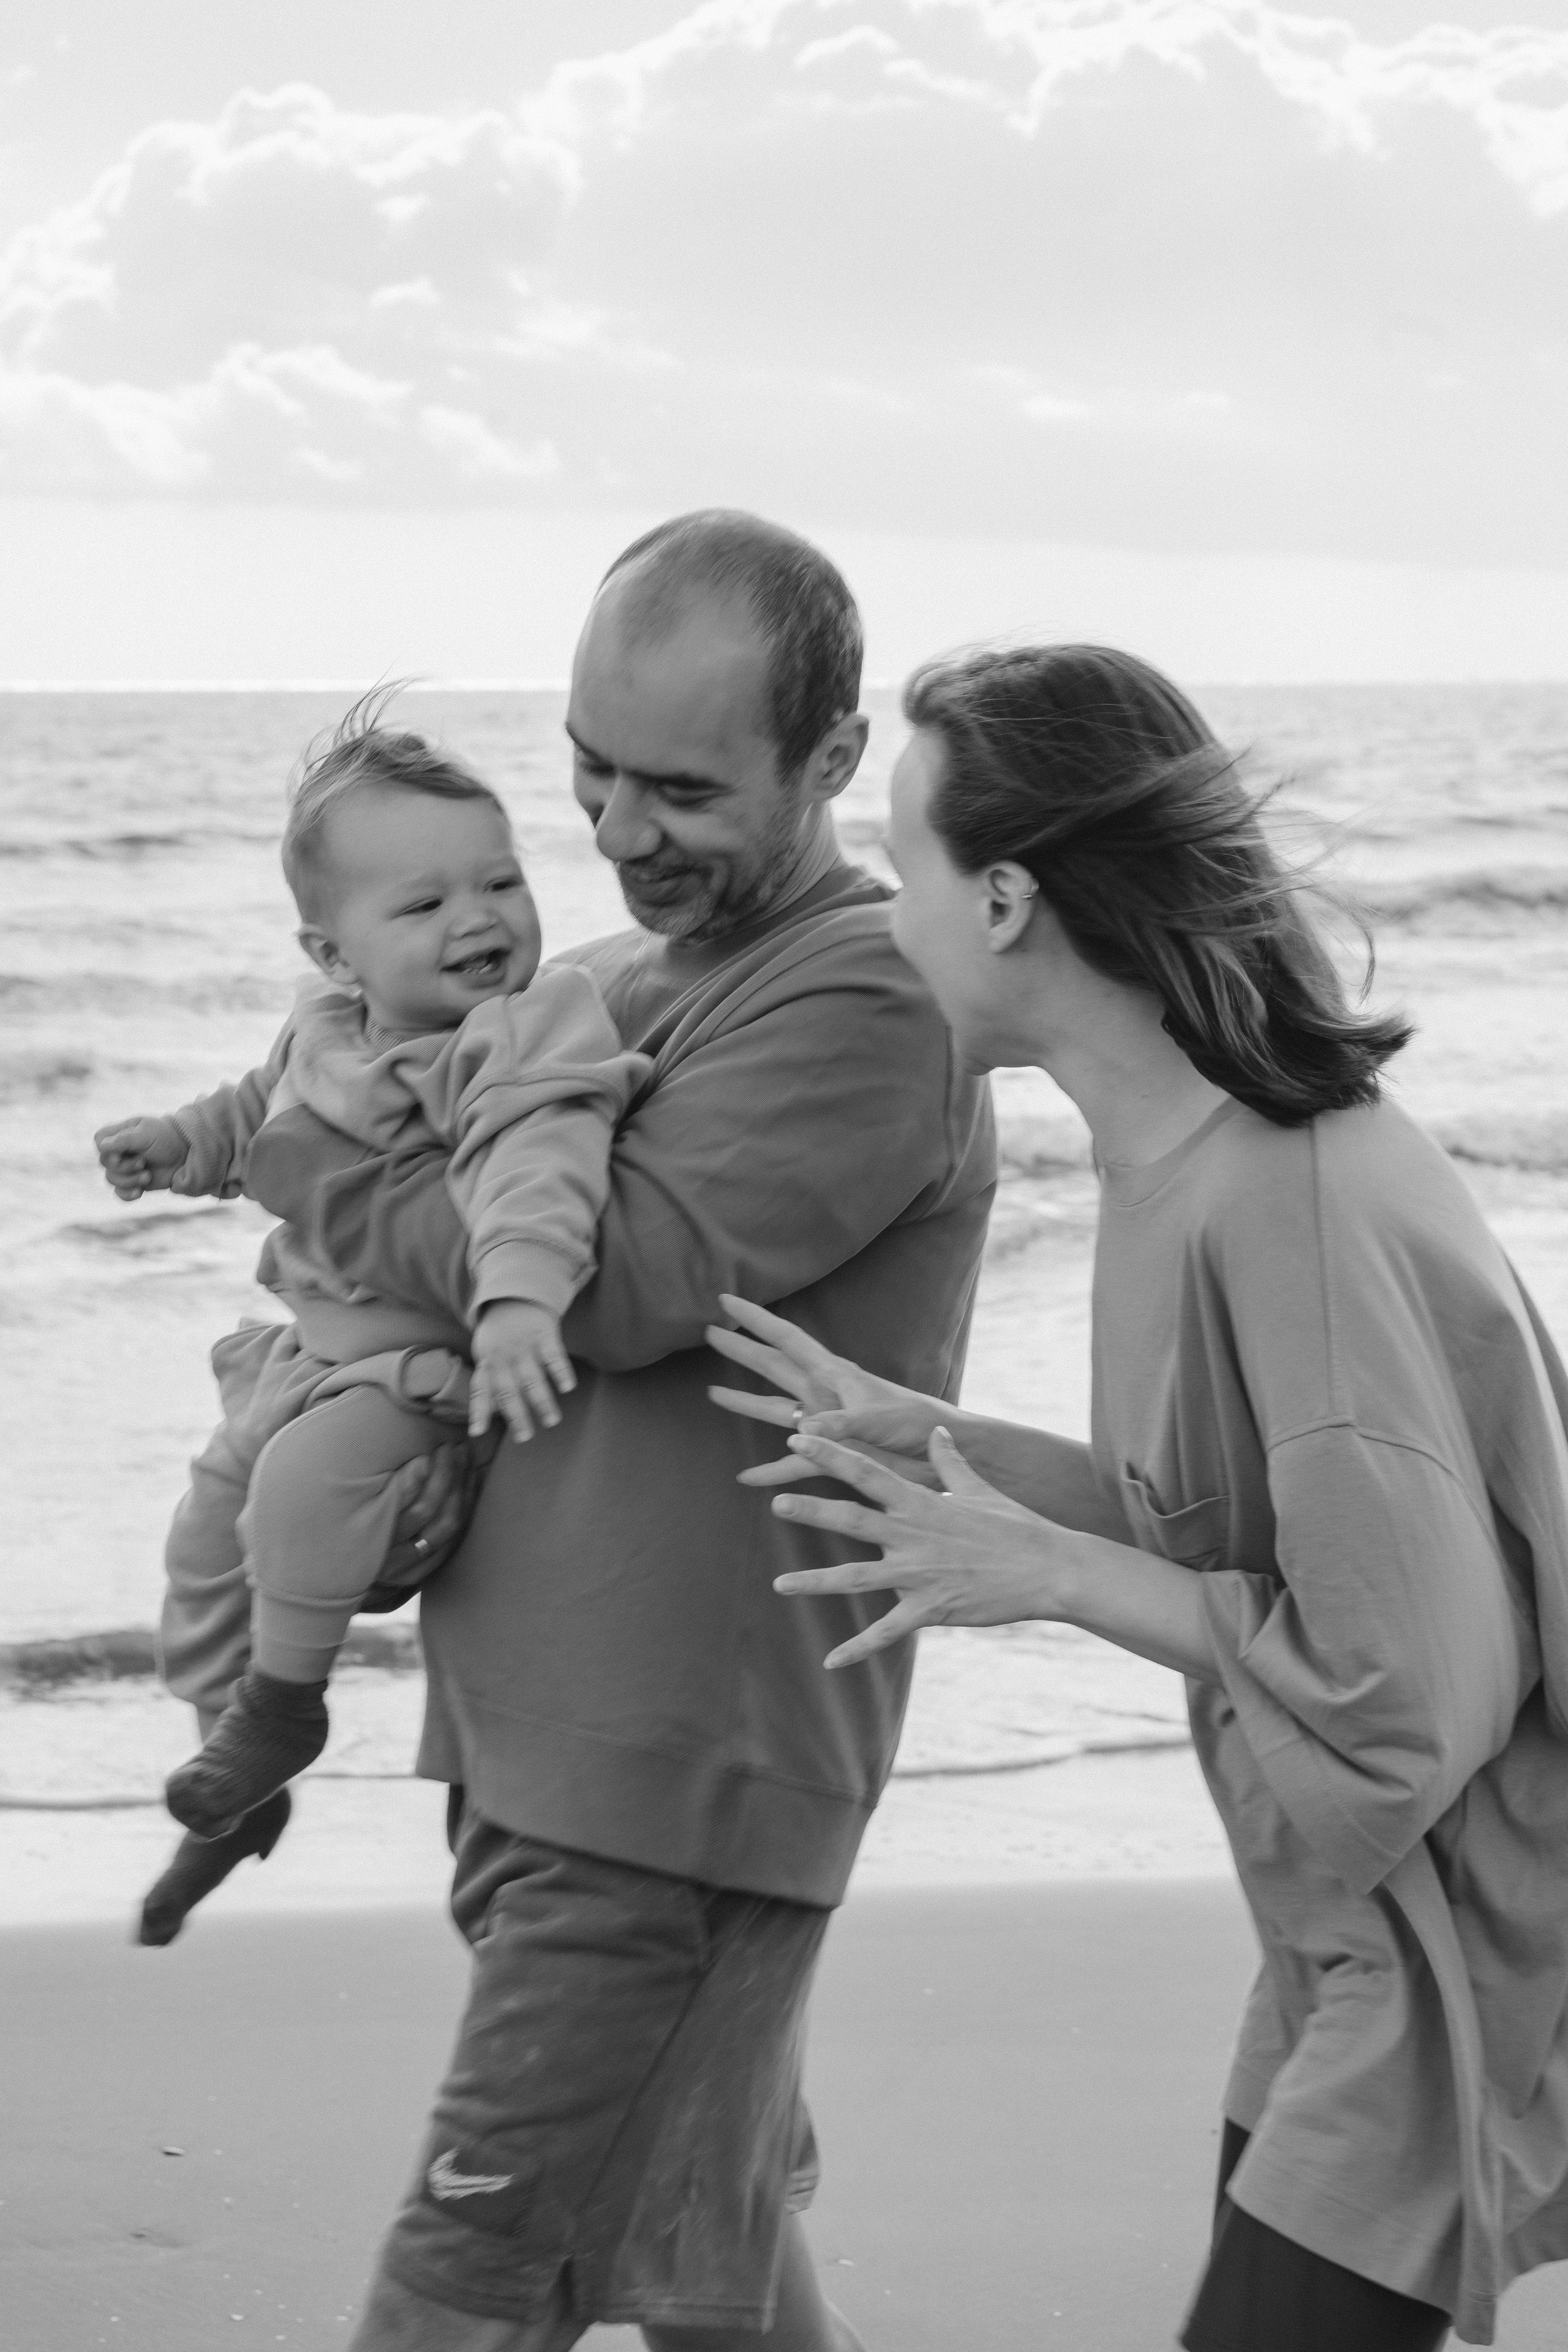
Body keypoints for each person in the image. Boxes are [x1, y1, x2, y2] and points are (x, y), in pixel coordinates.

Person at [710, 643, 1568, 2352]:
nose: (891, 916)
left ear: (1011, 899)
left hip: (1457, 1946)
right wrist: (944, 1448)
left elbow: (1408, 1696)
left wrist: (1044, 1576)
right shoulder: (1176, 1154)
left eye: (911, 867)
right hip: (1349, 1942)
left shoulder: (1284, 1203)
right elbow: (1241, 1527)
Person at [236, 512, 997, 2351]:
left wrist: (293, 1162)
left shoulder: (872, 990)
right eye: (587, 769)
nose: (618, 828)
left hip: (674, 1775)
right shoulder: (618, 980)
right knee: (697, 2271)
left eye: (678, 785)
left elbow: (611, 1279)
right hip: (573, 1756)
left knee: (470, 2277)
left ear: (829, 763)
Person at [100, 703, 647, 1944]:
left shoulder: (522, 1029)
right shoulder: (322, 1025)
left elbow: (541, 1162)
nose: (479, 919)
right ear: (333, 953)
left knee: (298, 1489)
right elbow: (258, 1114)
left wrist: (515, 1302)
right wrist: (177, 1146)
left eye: (500, 881)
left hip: (415, 1375)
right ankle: (228, 1779)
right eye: (422, 906)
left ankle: (288, 1706)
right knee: (204, 1538)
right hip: (307, 1354)